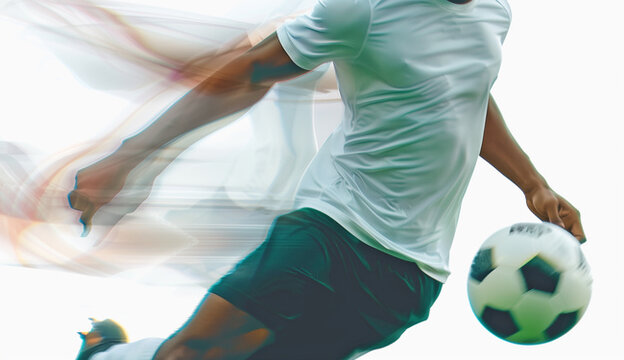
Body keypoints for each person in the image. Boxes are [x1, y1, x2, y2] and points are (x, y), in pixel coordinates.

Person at [67, 0, 586, 358]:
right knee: (197, 353)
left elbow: (466, 91)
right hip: (333, 229)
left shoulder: (494, 13)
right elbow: (250, 72)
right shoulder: (364, 9)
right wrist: (130, 158)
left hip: (413, 279)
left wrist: (532, 183)